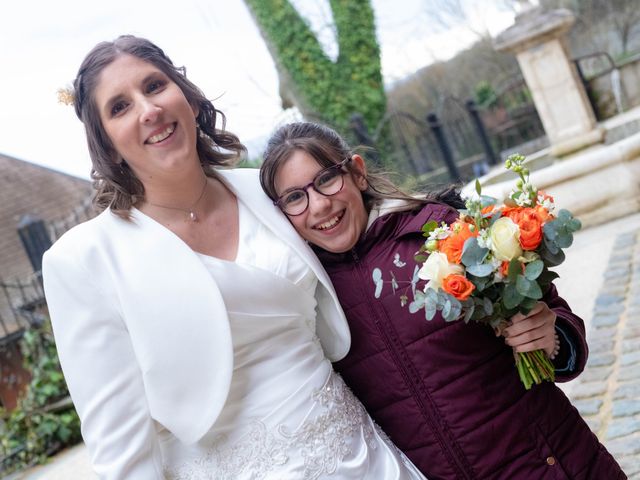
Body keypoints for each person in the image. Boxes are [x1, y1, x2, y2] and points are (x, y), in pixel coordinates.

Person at [42, 36, 429, 480]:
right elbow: (123, 455)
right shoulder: (84, 262)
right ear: (107, 145)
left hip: (368, 458)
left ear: (185, 97)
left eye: (154, 86)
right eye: (119, 107)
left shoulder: (264, 192)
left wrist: (491, 278)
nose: (148, 110)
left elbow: (368, 241)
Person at [259, 121, 627, 479]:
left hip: (551, 462)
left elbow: (555, 318)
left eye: (326, 179)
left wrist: (552, 335)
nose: (319, 205)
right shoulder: (306, 297)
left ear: (357, 172)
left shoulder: (443, 230)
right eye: (295, 197)